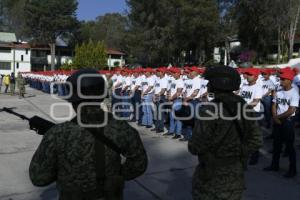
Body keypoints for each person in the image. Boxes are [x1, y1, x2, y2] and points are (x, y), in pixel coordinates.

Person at [29, 69, 148, 200]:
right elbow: (139, 163)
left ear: (72, 101)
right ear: (102, 96)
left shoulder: (57, 133)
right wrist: (116, 176)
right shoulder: (121, 127)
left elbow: (39, 177)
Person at [188, 66, 262, 200]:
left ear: (216, 84)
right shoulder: (244, 106)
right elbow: (256, 140)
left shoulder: (209, 109)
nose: (208, 85)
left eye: (210, 82)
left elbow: (195, 147)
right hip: (235, 176)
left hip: (211, 178)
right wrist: (238, 153)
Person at [264, 69, 299, 178]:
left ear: (289, 80)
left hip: (288, 121)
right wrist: (275, 117)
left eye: (283, 79)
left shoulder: (294, 92)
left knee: (289, 146)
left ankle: (292, 170)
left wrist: (276, 117)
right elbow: (274, 104)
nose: (281, 81)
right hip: (277, 120)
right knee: (277, 144)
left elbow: (291, 110)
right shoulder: (279, 90)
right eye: (280, 79)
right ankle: (274, 165)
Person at [239, 68, 263, 165]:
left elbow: (255, 102)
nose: (248, 76)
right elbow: (241, 98)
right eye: (247, 74)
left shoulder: (258, 87)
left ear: (256, 77)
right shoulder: (244, 86)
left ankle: (255, 156)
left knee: (253, 136)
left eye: (250, 74)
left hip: (253, 114)